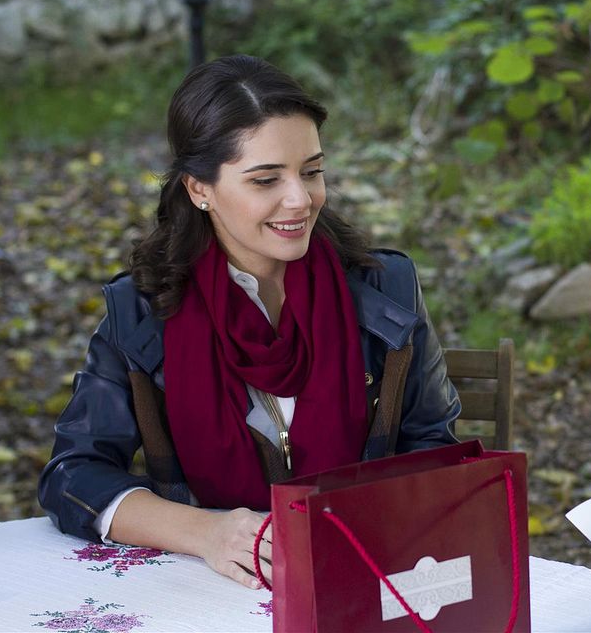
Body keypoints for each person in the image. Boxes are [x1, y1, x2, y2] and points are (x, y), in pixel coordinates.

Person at [38, 54, 461, 589]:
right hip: (208, 589)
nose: (300, 199)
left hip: (367, 574)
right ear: (199, 190)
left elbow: (436, 449)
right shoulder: (142, 312)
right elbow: (71, 475)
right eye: (265, 180)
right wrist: (208, 533)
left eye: (312, 171)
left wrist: (365, 532)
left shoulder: (386, 289)